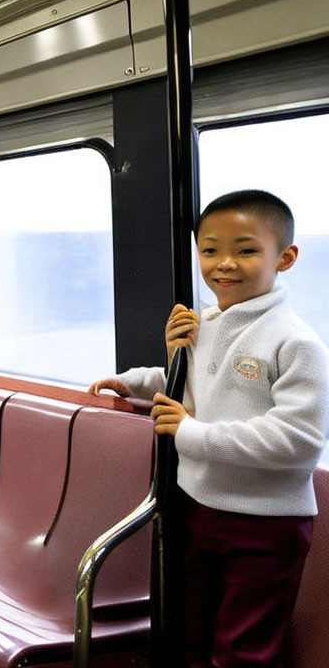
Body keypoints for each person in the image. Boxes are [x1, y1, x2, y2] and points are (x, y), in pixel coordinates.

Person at [88, 190, 328, 668]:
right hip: (198, 505)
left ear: (286, 257)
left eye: (245, 250)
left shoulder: (295, 341)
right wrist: (136, 381)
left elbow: (299, 441)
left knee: (244, 648)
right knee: (192, 635)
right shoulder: (208, 322)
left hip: (264, 521)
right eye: (211, 250)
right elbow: (192, 384)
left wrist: (191, 433)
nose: (225, 264)